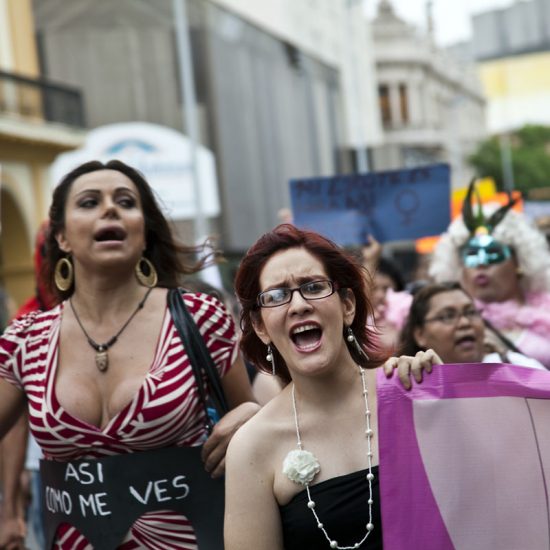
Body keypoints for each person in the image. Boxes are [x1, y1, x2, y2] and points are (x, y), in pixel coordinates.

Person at [0, 160, 259, 549]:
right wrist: (10, 512)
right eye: (89, 202)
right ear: (62, 237)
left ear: (143, 232)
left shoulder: (197, 317)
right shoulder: (27, 339)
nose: (110, 209)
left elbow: (257, 423)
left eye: (125, 201)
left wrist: (252, 417)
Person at [224, 223, 438, 549]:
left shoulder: (411, 391)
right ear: (260, 326)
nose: (298, 305)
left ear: (347, 305)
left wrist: (445, 394)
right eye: (277, 295)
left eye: (312, 286)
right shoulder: (251, 447)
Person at [429, 180, 550, 368]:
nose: (482, 263)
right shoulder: (449, 322)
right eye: (471, 255)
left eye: (493, 253)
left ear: (519, 261)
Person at [399, 281, 545, 369]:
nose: (464, 323)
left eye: (470, 312)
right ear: (420, 335)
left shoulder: (519, 367)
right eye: (448, 316)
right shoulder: (410, 381)